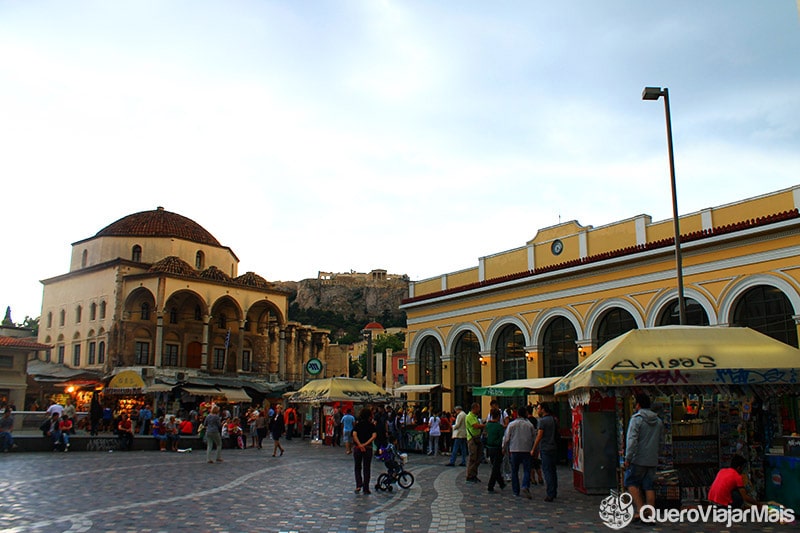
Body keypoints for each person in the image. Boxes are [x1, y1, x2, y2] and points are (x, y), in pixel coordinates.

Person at [623, 393, 664, 516]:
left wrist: (628, 458)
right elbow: (661, 441)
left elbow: (632, 440)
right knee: (649, 486)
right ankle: (650, 513)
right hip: (652, 459)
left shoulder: (637, 419)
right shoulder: (658, 421)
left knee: (631, 483)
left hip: (638, 459)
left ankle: (641, 510)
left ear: (638, 405)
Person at [504, 406, 536, 498]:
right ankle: (525, 485)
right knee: (527, 469)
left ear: (517, 414)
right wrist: (534, 448)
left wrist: (504, 447)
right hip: (526, 450)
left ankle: (515, 491)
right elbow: (534, 437)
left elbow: (506, 438)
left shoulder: (512, 424)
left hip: (514, 449)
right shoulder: (529, 424)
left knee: (514, 471)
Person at [533, 402, 560, 502]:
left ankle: (550, 493)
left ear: (543, 409)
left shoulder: (542, 421)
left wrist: (533, 448)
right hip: (554, 447)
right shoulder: (553, 419)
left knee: (547, 471)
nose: (538, 410)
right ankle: (554, 491)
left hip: (545, 448)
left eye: (539, 408)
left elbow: (539, 435)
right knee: (553, 471)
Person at [352, 407, 376, 495]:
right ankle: (366, 488)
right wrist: (365, 444)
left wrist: (359, 444)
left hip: (358, 448)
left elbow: (354, 435)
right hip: (368, 448)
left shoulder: (357, 425)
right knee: (367, 468)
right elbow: (374, 436)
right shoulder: (371, 425)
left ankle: (358, 484)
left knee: (357, 467)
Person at [485, 408, 506, 492]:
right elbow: (501, 439)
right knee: (496, 467)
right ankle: (491, 485)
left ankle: (501, 483)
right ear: (498, 416)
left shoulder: (488, 425)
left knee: (495, 466)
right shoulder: (499, 427)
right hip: (497, 448)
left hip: (489, 448)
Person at [465, 403, 485, 483]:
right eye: (478, 408)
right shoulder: (469, 416)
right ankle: (470, 475)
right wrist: (484, 425)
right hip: (472, 439)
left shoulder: (475, 417)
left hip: (477, 438)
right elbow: (475, 426)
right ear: (475, 408)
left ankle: (474, 474)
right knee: (473, 457)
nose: (479, 409)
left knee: (478, 457)